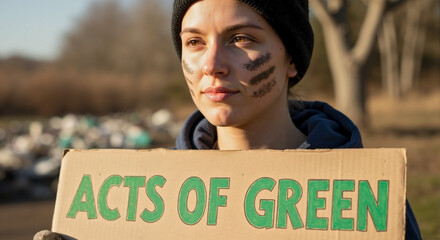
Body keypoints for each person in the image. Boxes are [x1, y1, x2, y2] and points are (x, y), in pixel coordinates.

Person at [35, 0, 421, 239]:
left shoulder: (368, 200)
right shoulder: (141, 201)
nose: (212, 65)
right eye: (195, 42)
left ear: (291, 59)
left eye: (242, 39)